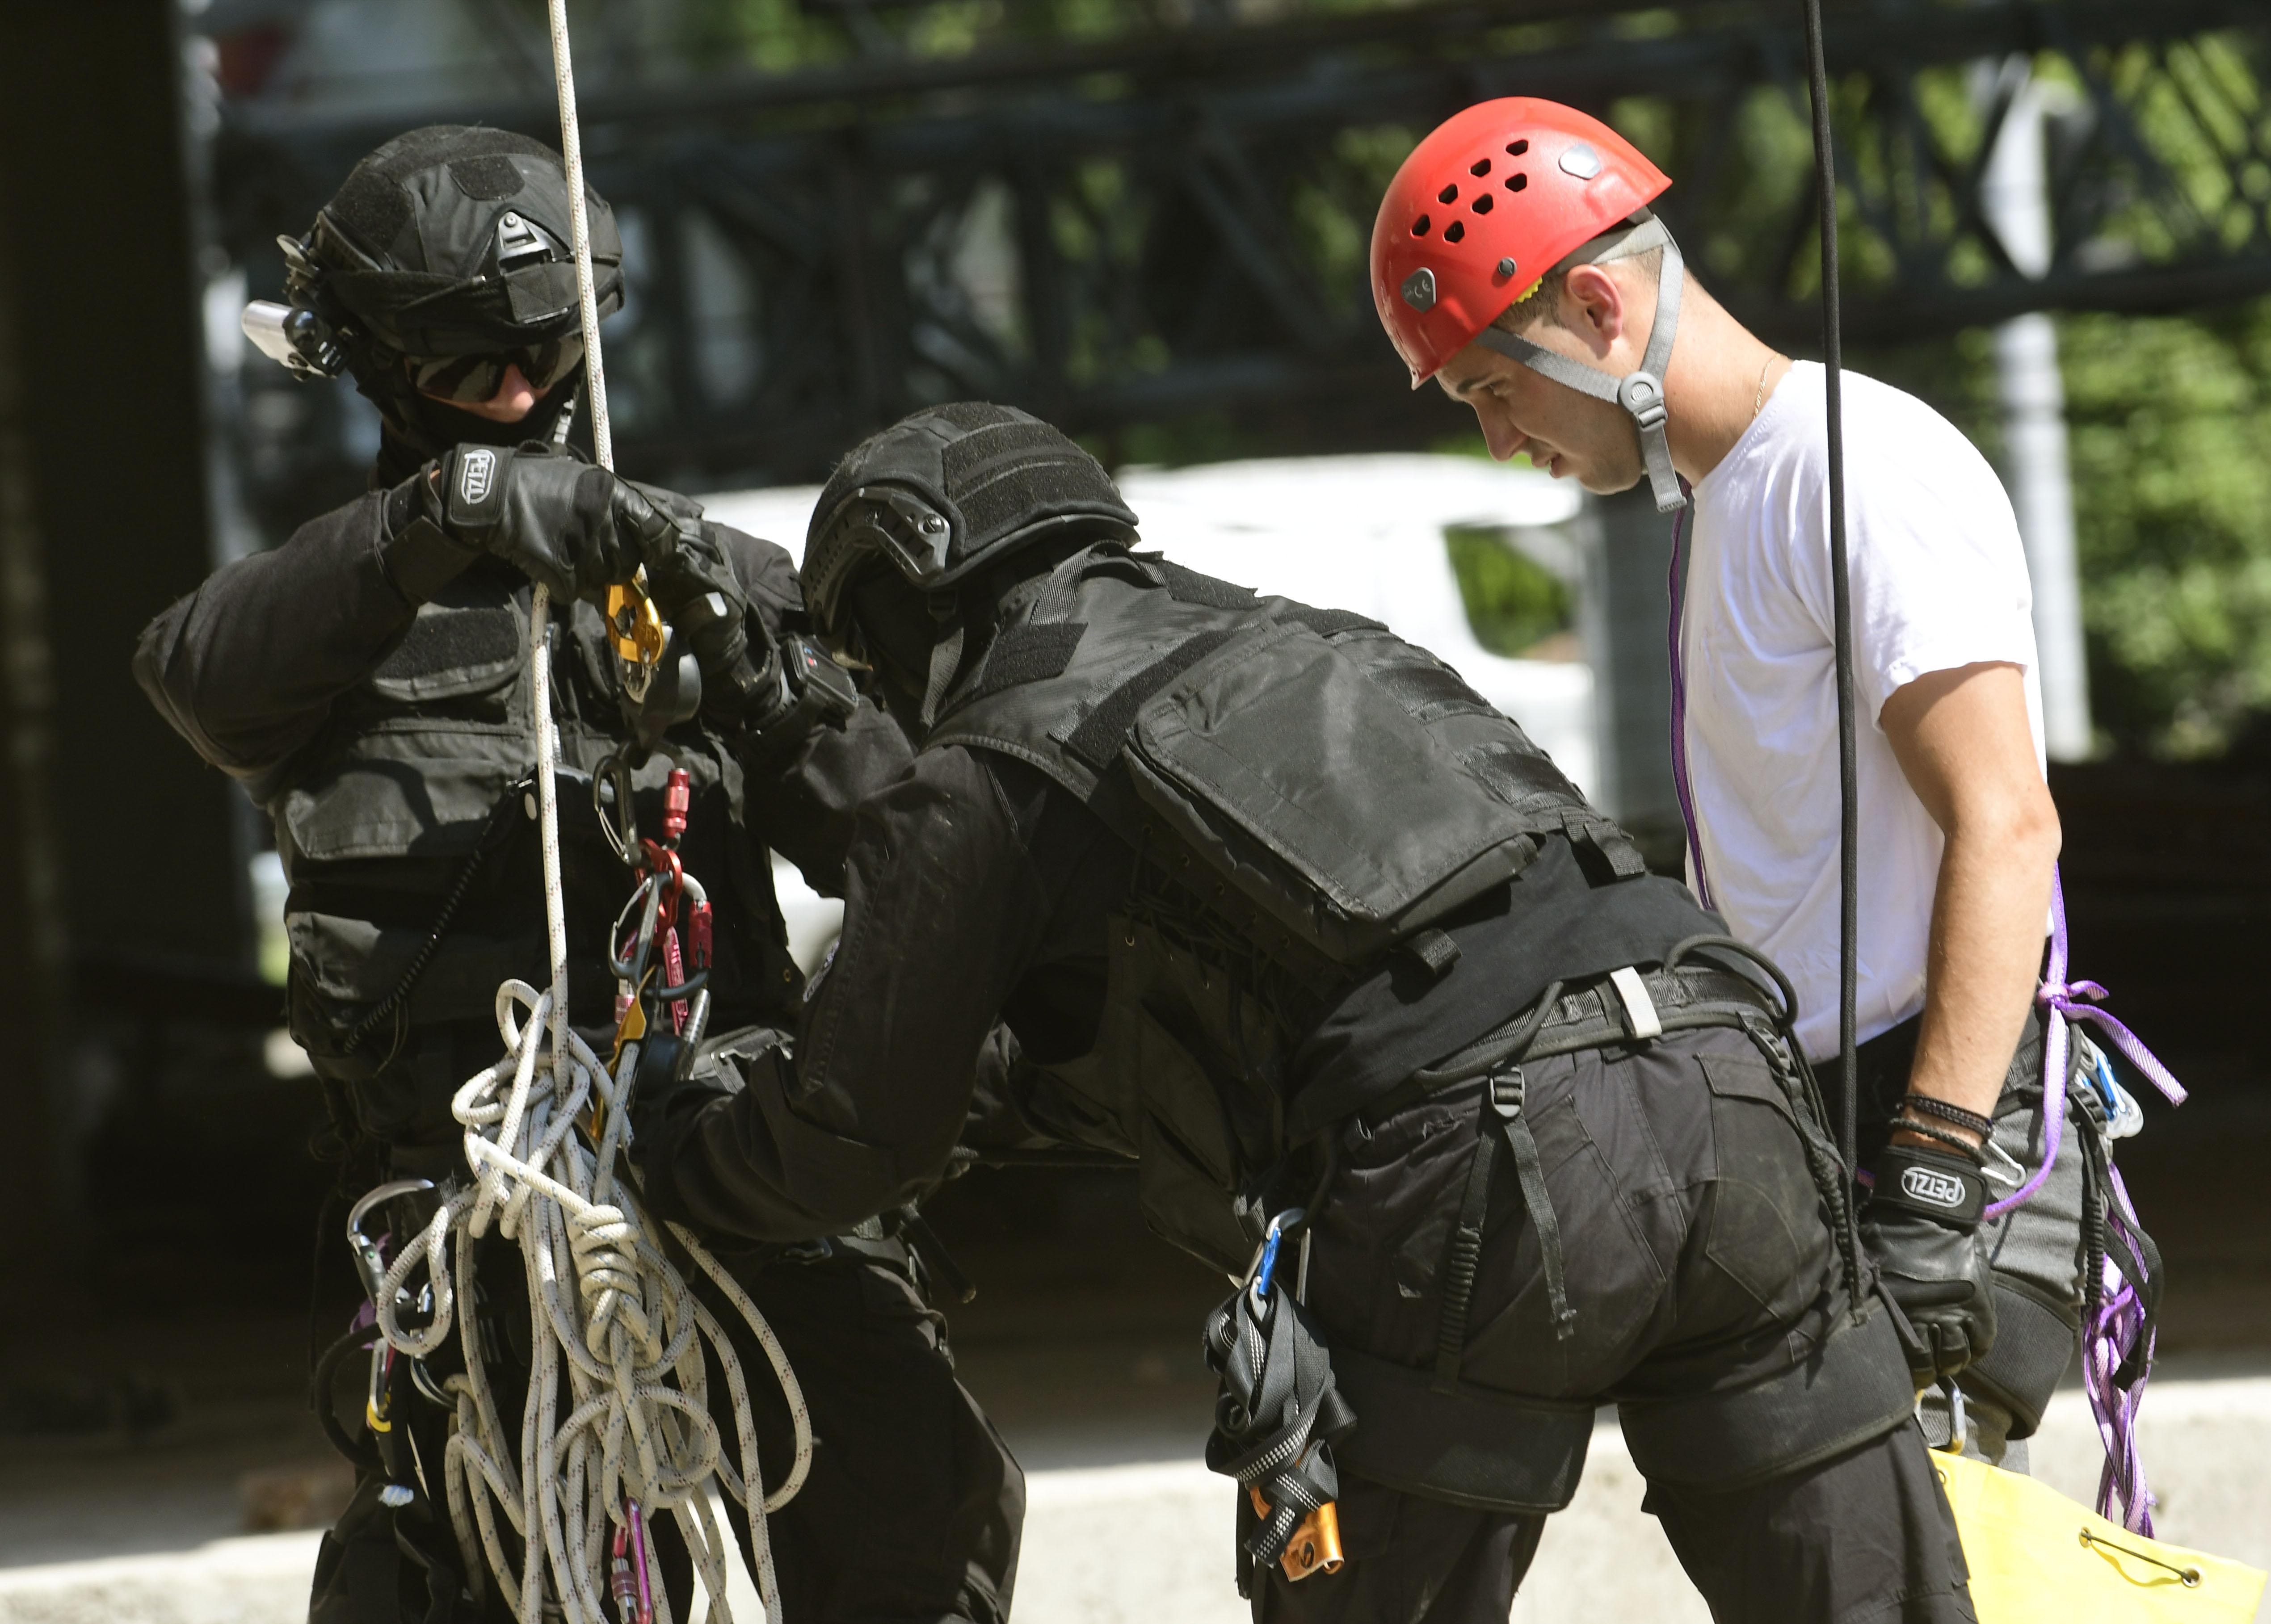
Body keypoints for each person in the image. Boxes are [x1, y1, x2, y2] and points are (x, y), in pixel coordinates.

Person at [629, 400, 1977, 1623]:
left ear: (911, 597)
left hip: (1490, 1152)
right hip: (1726, 1080)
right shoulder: (1318, 645)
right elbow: (1227, 999)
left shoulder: (989, 770)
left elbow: (853, 1134)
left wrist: (680, 1148)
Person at [133, 126, 1020, 1624]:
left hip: (720, 1128)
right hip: (461, 1191)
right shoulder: (325, 615)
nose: (522, 394)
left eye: (545, 354)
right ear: (372, 367)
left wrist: (765, 691)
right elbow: (192, 678)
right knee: (465, 1556)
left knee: (908, 1493)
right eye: (469, 372)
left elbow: (896, 845)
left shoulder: (704, 574)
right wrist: (451, 509)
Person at [1369, 97, 2084, 1468]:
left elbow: (2004, 822)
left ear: (1595, 307)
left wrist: (1931, 1183)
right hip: (1808, 1112)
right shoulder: (1721, 502)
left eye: (1492, 390)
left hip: (1930, 1111)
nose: (1502, 442)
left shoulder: (1852, 468)